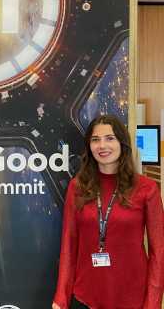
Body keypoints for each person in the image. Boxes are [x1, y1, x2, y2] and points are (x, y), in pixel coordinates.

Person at [52, 115, 164, 309]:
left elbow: (159, 252)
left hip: (133, 300)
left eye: (110, 138)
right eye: (95, 140)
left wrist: (152, 303)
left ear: (122, 143)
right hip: (85, 297)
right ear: (89, 146)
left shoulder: (147, 189)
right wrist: (61, 297)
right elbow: (69, 245)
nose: (102, 145)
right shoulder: (77, 187)